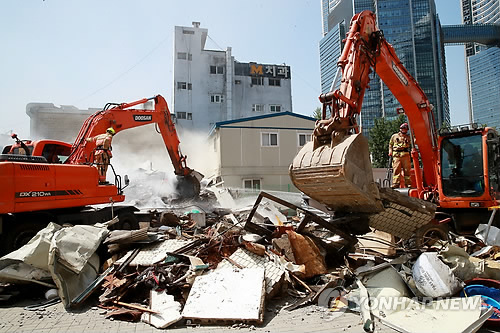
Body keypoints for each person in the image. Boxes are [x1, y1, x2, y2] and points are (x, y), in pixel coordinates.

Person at [388, 122, 411, 188]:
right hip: (397, 155)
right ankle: (395, 183)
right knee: (396, 170)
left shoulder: (408, 137)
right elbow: (390, 144)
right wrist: (390, 151)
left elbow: (414, 142)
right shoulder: (394, 136)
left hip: (405, 155)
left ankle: (408, 184)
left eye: (406, 129)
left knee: (407, 170)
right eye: (404, 129)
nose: (405, 130)